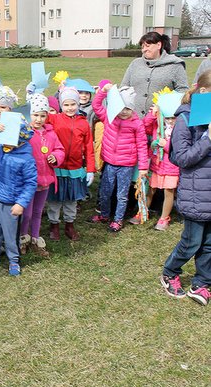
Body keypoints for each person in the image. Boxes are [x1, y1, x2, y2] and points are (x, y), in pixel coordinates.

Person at [160, 70, 211, 306]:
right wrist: (208, 139)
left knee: (209, 243)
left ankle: (202, 282)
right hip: (195, 194)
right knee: (192, 242)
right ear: (204, 92)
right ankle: (170, 272)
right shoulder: (185, 119)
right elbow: (181, 158)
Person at [0, 109, 37, 276]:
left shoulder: (26, 158)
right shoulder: (4, 149)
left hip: (12, 204)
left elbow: (30, 183)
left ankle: (14, 260)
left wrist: (21, 203)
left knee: (11, 235)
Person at [88, 84, 149, 232]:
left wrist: (143, 168)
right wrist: (103, 91)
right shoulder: (109, 117)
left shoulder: (137, 124)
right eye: (121, 108)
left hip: (126, 166)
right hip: (109, 163)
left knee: (121, 194)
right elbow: (96, 105)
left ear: (132, 109)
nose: (123, 112)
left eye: (127, 109)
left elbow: (142, 145)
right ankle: (104, 215)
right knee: (105, 192)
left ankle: (118, 220)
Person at [46, 86, 95, 241]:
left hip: (75, 168)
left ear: (78, 104)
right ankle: (54, 225)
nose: (70, 108)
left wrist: (90, 169)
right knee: (54, 199)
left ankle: (69, 224)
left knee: (71, 199)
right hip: (57, 167)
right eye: (66, 105)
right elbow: (38, 114)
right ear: (61, 105)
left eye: (73, 104)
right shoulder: (54, 119)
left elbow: (89, 148)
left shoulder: (84, 124)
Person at [19, 94, 65, 257]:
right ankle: (23, 238)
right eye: (35, 114)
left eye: (42, 115)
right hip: (28, 181)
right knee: (27, 213)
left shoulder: (51, 134)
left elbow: (60, 149)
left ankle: (36, 238)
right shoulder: (24, 133)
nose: (38, 119)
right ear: (29, 114)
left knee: (38, 212)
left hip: (45, 180)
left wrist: (56, 157)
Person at [130, 94, 182, 230]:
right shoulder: (157, 124)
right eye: (168, 118)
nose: (170, 121)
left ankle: (164, 218)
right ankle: (142, 212)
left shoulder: (181, 128)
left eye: (173, 118)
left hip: (172, 167)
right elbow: (144, 127)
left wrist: (165, 144)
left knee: (168, 192)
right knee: (150, 190)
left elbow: (180, 147)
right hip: (156, 164)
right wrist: (152, 115)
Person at [121, 31, 188, 118]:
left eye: (148, 46)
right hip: (134, 121)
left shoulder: (175, 65)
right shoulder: (135, 64)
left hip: (161, 121)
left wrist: (165, 106)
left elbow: (183, 92)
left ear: (159, 45)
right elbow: (124, 87)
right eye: (142, 47)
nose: (144, 49)